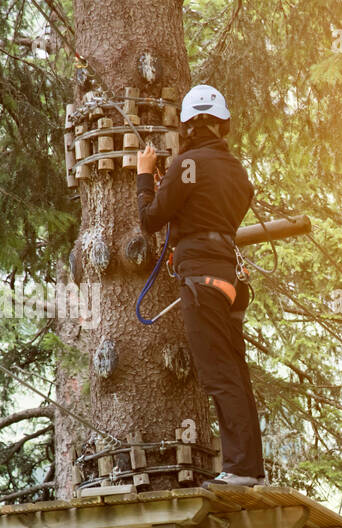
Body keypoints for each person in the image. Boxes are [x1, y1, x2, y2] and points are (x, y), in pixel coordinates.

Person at [136, 84, 263, 488]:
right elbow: (216, 204)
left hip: (201, 279)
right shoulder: (237, 171)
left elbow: (152, 219)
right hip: (228, 278)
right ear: (221, 125)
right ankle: (251, 468)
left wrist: (145, 177)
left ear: (188, 126)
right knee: (236, 376)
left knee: (220, 376)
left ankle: (242, 470)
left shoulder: (187, 164)